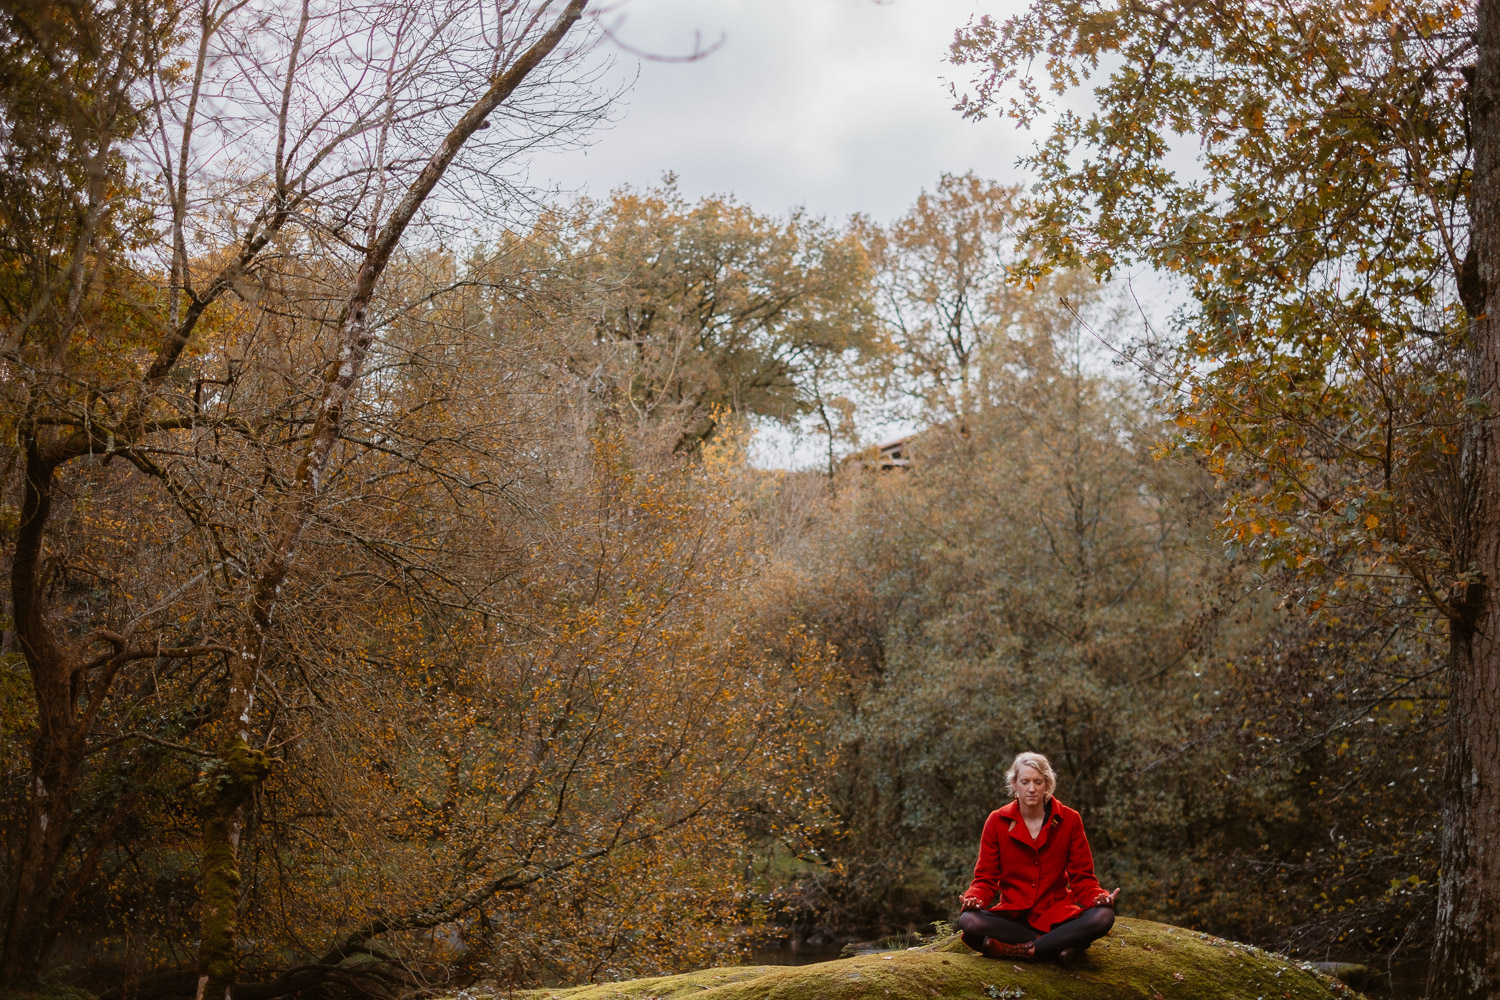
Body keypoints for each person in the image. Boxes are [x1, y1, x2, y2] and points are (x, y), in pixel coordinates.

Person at [956, 751, 1120, 962]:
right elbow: (985, 878)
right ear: (1014, 784)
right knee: (969, 921)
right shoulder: (996, 821)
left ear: (1047, 785)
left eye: (1038, 782)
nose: (1031, 789)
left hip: (1057, 915)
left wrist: (1099, 897)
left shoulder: (1070, 819)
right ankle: (1057, 946)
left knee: (1103, 916)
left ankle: (1020, 950)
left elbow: (1083, 878)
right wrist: (974, 899)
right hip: (1013, 918)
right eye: (1025, 782)